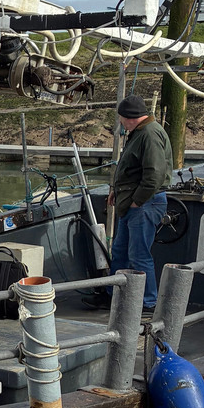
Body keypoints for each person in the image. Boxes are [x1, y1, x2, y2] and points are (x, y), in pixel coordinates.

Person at [83, 94, 171, 313]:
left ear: (131, 118)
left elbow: (154, 175)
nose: (120, 122)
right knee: (121, 251)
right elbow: (129, 167)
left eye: (121, 118)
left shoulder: (149, 135)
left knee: (139, 255)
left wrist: (136, 201)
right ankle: (114, 295)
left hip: (144, 205)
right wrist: (116, 191)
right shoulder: (139, 133)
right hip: (130, 202)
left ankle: (148, 303)